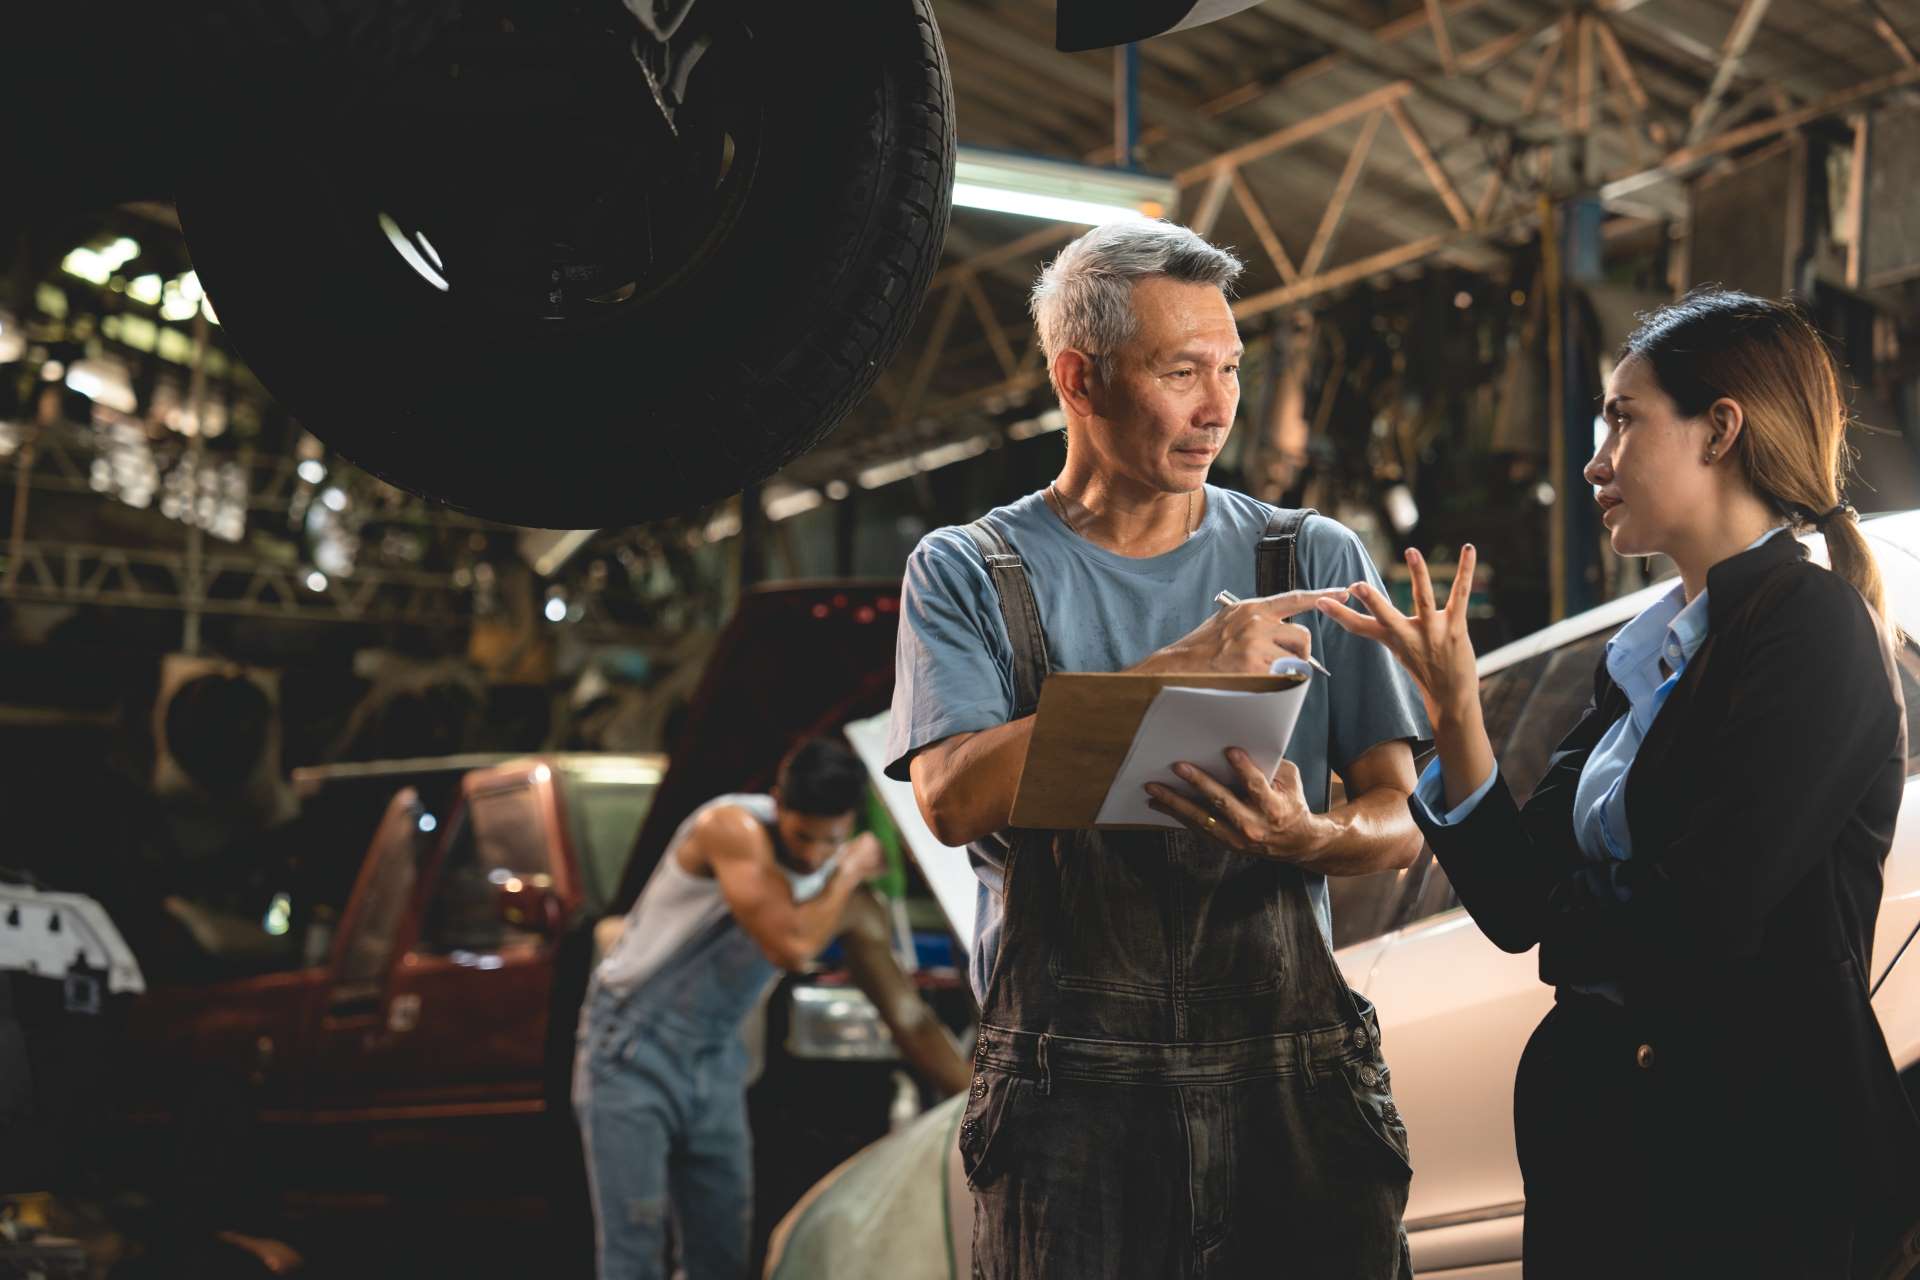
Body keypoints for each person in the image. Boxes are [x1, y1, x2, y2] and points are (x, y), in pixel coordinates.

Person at [1318, 288, 1920, 1276]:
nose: (1594, 460)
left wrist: (1574, 915)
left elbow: (1702, 920)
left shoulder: (1808, 628)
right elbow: (1516, 905)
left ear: (1720, 428)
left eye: (1623, 418)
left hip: (1745, 1176)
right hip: (1616, 1168)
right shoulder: (1648, 657)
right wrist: (1457, 710)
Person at [886, 219, 1431, 1279]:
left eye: (1229, 368)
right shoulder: (967, 570)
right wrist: (1177, 667)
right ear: (1078, 379)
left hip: (1295, 1081)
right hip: (1069, 1099)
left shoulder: (1307, 554)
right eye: (1181, 371)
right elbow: (953, 799)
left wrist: (1309, 831)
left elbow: (1399, 815)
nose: (1218, 408)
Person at [571, 735, 966, 1280]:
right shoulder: (730, 829)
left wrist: (977, 1096)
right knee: (634, 1248)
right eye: (803, 836)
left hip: (715, 1059)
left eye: (830, 841)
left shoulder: (849, 901)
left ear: (851, 824)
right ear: (777, 801)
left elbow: (908, 1018)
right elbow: (791, 943)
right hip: (632, 1050)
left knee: (722, 1254)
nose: (812, 855)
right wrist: (848, 870)